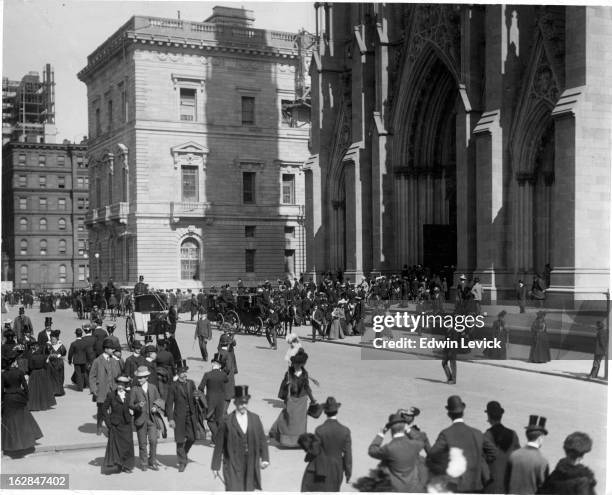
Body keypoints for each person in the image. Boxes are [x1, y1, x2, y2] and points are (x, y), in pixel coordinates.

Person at [427, 395, 497, 493]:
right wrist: (479, 460)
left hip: (456, 486)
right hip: (476, 485)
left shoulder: (446, 433)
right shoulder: (477, 433)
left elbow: (432, 454)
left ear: (449, 414)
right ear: (463, 412)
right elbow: (493, 451)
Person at [211, 385, 270, 491]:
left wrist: (265, 458)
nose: (243, 405)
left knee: (249, 488)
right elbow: (219, 445)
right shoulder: (226, 421)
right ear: (235, 403)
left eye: (245, 403)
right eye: (241, 403)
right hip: (232, 462)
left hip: (251, 461)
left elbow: (262, 440)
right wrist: (215, 466)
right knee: (234, 488)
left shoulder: (255, 419)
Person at [367, 412, 427, 492]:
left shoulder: (388, 448)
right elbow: (421, 440)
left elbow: (372, 450)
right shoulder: (414, 445)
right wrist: (409, 430)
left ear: (391, 430)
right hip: (414, 489)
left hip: (396, 489)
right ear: (404, 428)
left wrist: (381, 434)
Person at [269, 349, 317, 447]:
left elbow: (307, 388)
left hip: (302, 401)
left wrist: (312, 399)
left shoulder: (304, 374)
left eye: (299, 364)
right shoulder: (288, 374)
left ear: (302, 364)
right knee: (287, 418)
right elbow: (283, 388)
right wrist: (287, 386)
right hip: (291, 399)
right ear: (293, 363)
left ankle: (299, 442)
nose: (297, 366)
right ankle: (278, 432)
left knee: (300, 422)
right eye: (295, 364)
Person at [2, 351, 43, 456]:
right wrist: (26, 397)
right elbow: (25, 386)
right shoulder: (19, 372)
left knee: (10, 421)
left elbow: (1, 390)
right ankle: (25, 441)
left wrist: (3, 400)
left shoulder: (3, 374)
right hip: (19, 397)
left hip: (8, 398)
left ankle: (11, 444)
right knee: (23, 420)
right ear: (14, 362)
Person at [166, 360, 200, 472]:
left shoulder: (191, 383)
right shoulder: (173, 386)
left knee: (192, 437)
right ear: (178, 373)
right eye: (182, 372)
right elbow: (169, 404)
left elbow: (196, 395)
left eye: (186, 372)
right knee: (180, 439)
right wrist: (170, 419)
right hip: (179, 416)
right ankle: (182, 462)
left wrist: (197, 397)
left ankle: (183, 453)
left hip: (191, 415)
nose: (185, 374)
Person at [314, 396, 352, 491]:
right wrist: (348, 472)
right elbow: (348, 454)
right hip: (337, 467)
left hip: (321, 468)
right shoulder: (345, 431)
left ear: (325, 412)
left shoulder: (319, 430)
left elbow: (314, 451)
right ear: (337, 411)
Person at [506, 415, 549, 494]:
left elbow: (506, 481)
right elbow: (544, 488)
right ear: (540, 438)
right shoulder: (542, 461)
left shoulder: (513, 455)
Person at [483, 401, 519, 493]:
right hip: (508, 483)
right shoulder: (513, 434)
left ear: (489, 417)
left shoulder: (487, 436)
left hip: (491, 484)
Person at [130, 365, 161, 471]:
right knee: (142, 443)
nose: (139, 379)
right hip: (140, 419)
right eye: (138, 377)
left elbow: (159, 400)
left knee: (153, 441)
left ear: (147, 377)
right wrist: (138, 406)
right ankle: (144, 463)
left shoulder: (153, 387)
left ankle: (152, 461)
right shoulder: (134, 389)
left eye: (141, 377)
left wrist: (156, 407)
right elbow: (130, 404)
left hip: (152, 419)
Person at [101, 376, 135, 474]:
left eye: (123, 384)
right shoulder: (111, 395)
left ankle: (127, 465)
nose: (121, 386)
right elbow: (104, 409)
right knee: (116, 446)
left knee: (128, 445)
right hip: (115, 424)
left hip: (127, 424)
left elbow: (133, 406)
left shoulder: (129, 395)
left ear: (125, 385)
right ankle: (118, 465)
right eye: (119, 384)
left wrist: (134, 410)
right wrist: (108, 423)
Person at [90, 338, 123, 435]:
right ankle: (99, 425)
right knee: (101, 411)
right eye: (112, 349)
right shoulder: (97, 361)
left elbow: (117, 375)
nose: (114, 351)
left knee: (113, 411)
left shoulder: (114, 361)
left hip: (113, 390)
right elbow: (92, 376)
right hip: (101, 390)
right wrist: (94, 389)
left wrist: (120, 385)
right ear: (106, 349)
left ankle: (110, 429)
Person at [199, 353, 229, 441]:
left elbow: (200, 387)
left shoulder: (207, 374)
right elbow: (226, 380)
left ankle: (217, 437)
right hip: (221, 400)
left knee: (210, 420)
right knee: (219, 420)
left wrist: (203, 397)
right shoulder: (223, 375)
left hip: (210, 400)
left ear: (212, 364)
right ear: (220, 366)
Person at [27, 343, 57, 411]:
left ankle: (35, 405)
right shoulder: (43, 356)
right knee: (43, 389)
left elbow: (30, 367)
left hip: (34, 373)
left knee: (34, 390)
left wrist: (29, 373)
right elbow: (46, 365)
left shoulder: (32, 357)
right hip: (42, 372)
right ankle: (44, 404)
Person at [46, 330, 67, 397]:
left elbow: (64, 353)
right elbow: (45, 353)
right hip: (51, 364)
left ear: (57, 339)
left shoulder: (61, 346)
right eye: (52, 339)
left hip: (59, 363)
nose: (53, 341)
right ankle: (53, 391)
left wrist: (58, 355)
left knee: (60, 377)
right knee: (51, 377)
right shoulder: (48, 345)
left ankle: (59, 391)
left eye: (54, 339)